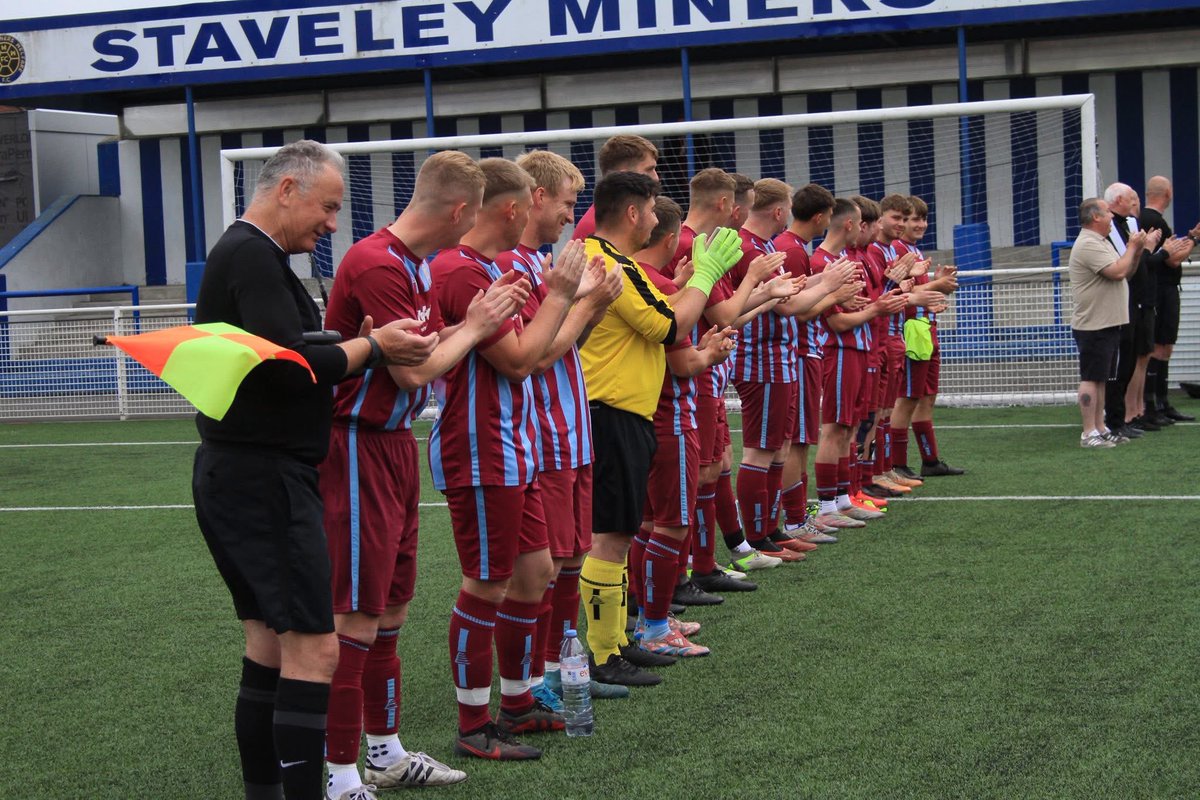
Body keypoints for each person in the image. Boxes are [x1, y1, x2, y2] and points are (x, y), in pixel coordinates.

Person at [192, 139, 439, 800]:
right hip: (263, 477)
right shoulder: (252, 254)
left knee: (270, 650)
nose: (332, 223)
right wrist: (372, 346)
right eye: (327, 206)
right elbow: (287, 366)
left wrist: (337, 342)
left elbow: (286, 349)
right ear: (286, 190)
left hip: (245, 473)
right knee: (315, 648)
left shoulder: (250, 255)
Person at [318, 151, 530, 799]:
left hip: (392, 445)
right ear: (462, 210)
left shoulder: (410, 264)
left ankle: (384, 752)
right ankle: (340, 773)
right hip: (353, 447)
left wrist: (458, 335)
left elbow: (431, 355)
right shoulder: (378, 263)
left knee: (390, 608)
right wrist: (477, 324)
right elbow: (414, 369)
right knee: (354, 614)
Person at [428, 158, 598, 760]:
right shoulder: (458, 270)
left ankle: (519, 704)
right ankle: (473, 726)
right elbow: (523, 358)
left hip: (516, 445)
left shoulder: (487, 267)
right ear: (512, 207)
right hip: (480, 450)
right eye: (535, 202)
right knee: (487, 583)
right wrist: (564, 296)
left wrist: (567, 302)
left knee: (535, 574)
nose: (540, 214)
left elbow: (537, 348)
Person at [576, 171, 739, 687]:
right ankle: (603, 653)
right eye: (650, 210)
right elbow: (669, 325)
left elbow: (668, 317)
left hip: (630, 415)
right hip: (610, 413)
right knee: (610, 537)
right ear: (632, 214)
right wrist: (706, 275)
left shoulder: (620, 263)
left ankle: (619, 639)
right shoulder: (604, 262)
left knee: (621, 535)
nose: (656, 219)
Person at [493, 150, 627, 705]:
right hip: (541, 436)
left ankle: (561, 667)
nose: (572, 217)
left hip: (573, 432)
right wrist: (583, 302)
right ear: (536, 198)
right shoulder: (510, 267)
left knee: (570, 557)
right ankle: (533, 680)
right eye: (568, 204)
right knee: (538, 570)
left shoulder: (544, 261)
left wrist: (590, 308)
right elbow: (536, 355)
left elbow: (567, 344)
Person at [631, 195, 739, 656]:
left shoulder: (649, 278)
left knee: (647, 524)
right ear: (673, 238)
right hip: (669, 415)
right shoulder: (652, 281)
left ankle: (646, 616)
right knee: (670, 524)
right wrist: (709, 354)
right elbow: (681, 360)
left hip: (645, 415)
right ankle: (653, 626)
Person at [810, 198, 905, 528]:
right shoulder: (824, 261)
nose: (876, 229)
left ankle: (842, 500)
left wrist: (885, 297)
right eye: (872, 223)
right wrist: (878, 308)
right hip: (839, 350)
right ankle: (826, 506)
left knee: (848, 427)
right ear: (853, 224)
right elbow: (835, 322)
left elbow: (863, 306)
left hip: (857, 349)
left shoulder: (840, 259)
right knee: (835, 429)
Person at [887, 195, 962, 479]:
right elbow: (897, 294)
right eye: (912, 219)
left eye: (922, 218)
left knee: (927, 397)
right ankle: (897, 464)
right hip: (910, 332)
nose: (920, 224)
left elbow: (918, 292)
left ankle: (930, 460)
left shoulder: (914, 251)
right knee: (906, 398)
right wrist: (937, 284)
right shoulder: (897, 249)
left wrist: (938, 288)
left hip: (925, 330)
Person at [1068, 197, 1148, 447]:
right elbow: (1117, 272)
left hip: (1108, 322)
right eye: (1107, 213)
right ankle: (1088, 432)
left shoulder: (1101, 242)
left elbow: (1127, 269)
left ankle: (1100, 428)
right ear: (1095, 217)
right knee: (1092, 377)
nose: (1112, 217)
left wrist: (1138, 250)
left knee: (1102, 378)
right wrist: (1133, 247)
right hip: (1094, 323)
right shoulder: (1088, 244)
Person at [1101, 183, 1172, 437]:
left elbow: (1137, 260)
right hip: (1118, 304)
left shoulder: (1131, 224)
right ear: (1118, 200)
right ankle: (1114, 419)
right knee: (1118, 366)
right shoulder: (1105, 233)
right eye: (1132, 199)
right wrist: (1151, 249)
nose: (1136, 203)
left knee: (1133, 359)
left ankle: (1124, 418)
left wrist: (1149, 249)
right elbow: (1125, 264)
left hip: (1137, 301)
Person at [1139, 175, 1198, 423]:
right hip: (1161, 291)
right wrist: (1194, 240)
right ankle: (1154, 403)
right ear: (1168, 193)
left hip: (1161, 290)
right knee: (1159, 347)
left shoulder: (1150, 220)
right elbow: (1171, 258)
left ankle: (1160, 402)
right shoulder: (1155, 221)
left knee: (1164, 346)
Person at [571, 134, 660, 240]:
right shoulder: (598, 228)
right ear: (624, 175)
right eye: (649, 169)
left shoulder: (618, 217)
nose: (656, 178)